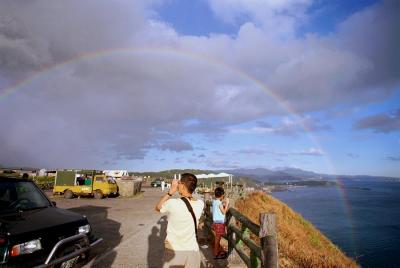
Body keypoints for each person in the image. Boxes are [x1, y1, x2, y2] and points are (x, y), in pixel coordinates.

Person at [155, 173, 204, 268]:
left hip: (174, 251)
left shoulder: (173, 203)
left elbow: (158, 208)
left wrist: (171, 191)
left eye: (179, 183)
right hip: (193, 251)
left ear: (182, 186)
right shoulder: (200, 204)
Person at [212, 186, 229, 259]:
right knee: (217, 239)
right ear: (222, 195)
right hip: (219, 224)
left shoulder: (214, 201)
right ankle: (216, 254)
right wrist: (227, 203)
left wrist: (223, 202)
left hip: (215, 223)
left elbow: (219, 207)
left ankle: (217, 251)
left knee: (217, 238)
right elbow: (224, 212)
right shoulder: (219, 203)